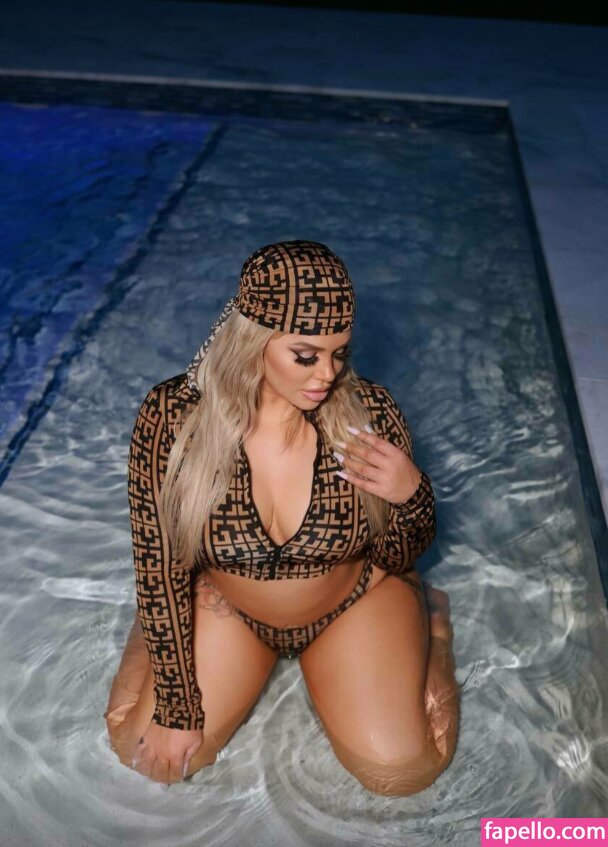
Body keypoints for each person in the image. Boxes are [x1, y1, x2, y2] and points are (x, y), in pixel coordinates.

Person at [103, 239, 460, 796]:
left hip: (353, 603)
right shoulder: (173, 419)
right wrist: (176, 705)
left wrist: (411, 494)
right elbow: (158, 564)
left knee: (402, 773)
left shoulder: (369, 414)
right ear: (254, 340)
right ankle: (155, 635)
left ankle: (431, 624)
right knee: (144, 752)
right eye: (306, 355)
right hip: (230, 607)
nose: (328, 374)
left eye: (339, 353)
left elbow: (398, 555)